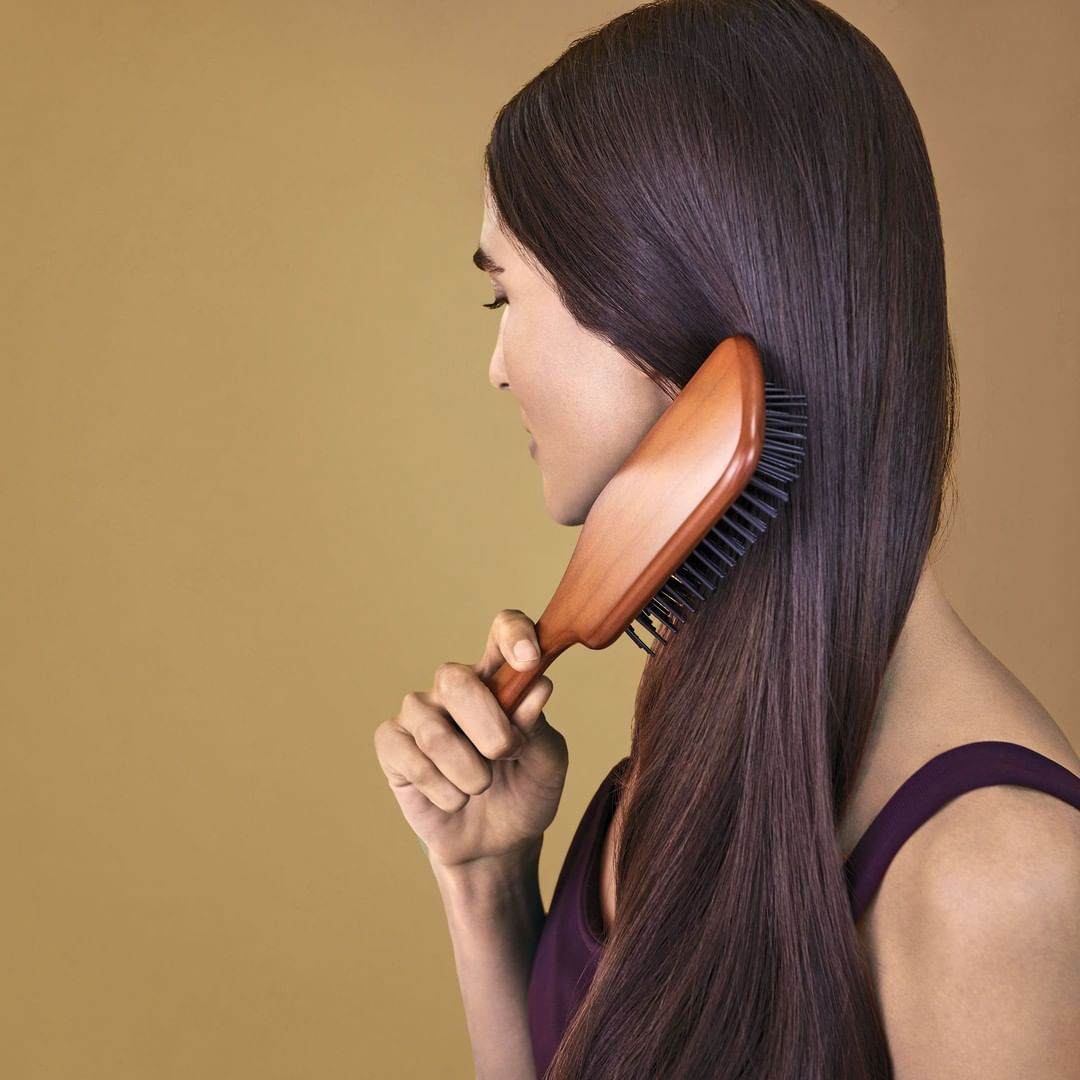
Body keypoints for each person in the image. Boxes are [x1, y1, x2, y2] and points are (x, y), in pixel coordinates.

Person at [372, 1, 1080, 1076]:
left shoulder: (997, 885)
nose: (498, 366)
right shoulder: (685, 764)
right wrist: (483, 881)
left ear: (659, 293)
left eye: (502, 296)